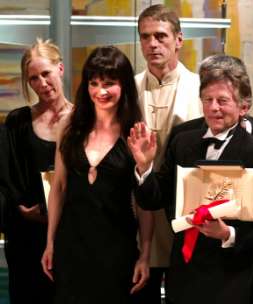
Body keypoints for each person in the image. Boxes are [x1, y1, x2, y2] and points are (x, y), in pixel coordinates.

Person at [129, 54, 253, 304]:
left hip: (236, 274)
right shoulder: (183, 142)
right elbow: (154, 199)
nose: (213, 107)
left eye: (222, 101)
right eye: (208, 100)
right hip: (187, 272)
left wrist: (228, 234)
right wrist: (144, 167)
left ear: (243, 107)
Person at [40, 46, 151, 303]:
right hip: (72, 246)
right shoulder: (69, 125)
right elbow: (58, 188)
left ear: (123, 85)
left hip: (118, 249)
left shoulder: (135, 132)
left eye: (109, 83)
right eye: (94, 83)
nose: (100, 91)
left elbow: (145, 203)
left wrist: (145, 254)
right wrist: (50, 242)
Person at [134, 4, 202, 303]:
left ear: (179, 40)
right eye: (145, 37)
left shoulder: (201, 89)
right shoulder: (127, 88)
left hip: (186, 217)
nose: (152, 44)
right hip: (137, 215)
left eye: (160, 36)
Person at [2, 38, 72, 304]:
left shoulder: (82, 121)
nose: (42, 84)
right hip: (27, 237)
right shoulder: (18, 121)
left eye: (46, 74)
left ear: (60, 69)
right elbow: (7, 178)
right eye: (33, 79)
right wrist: (22, 209)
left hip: (69, 235)